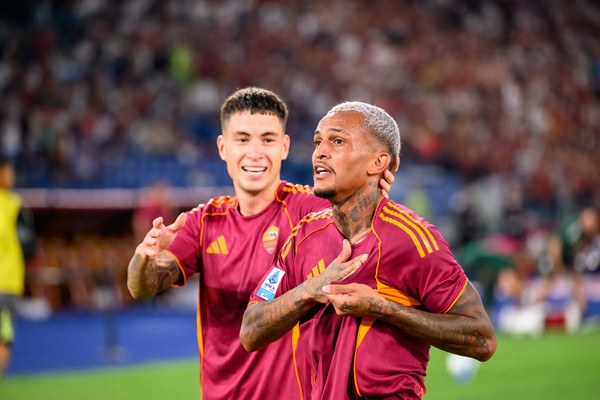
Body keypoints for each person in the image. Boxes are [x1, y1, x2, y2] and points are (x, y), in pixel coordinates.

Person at [127, 88, 396, 400]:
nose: (255, 153)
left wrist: (369, 186)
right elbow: (142, 287)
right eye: (242, 139)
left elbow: (363, 213)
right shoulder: (204, 221)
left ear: (284, 147)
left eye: (267, 140)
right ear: (223, 147)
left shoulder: (310, 209)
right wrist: (144, 257)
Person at [240, 102, 497, 399]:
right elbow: (250, 331)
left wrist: (385, 309)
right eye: (317, 141)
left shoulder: (410, 239)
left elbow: (482, 339)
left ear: (377, 162)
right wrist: (310, 290)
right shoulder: (304, 236)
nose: (320, 152)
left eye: (337, 141)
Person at [0, 156, 35, 376]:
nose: (11, 176)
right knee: (3, 337)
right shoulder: (14, 204)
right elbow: (29, 246)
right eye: (8, 171)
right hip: (6, 282)